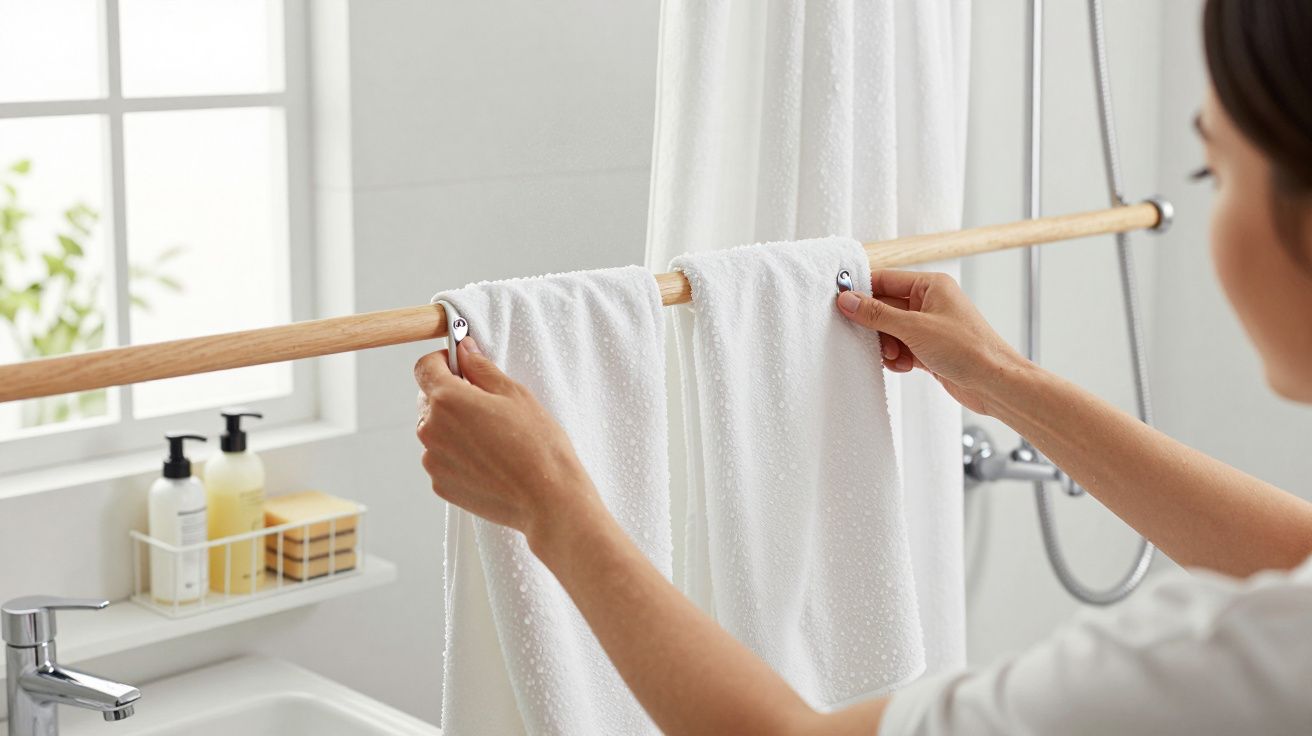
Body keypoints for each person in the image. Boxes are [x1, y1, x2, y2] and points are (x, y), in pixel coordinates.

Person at [413, 1, 1312, 732]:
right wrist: (1002, 377)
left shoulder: (1221, 665)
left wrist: (553, 502)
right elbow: (1296, 552)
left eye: (1214, 172)